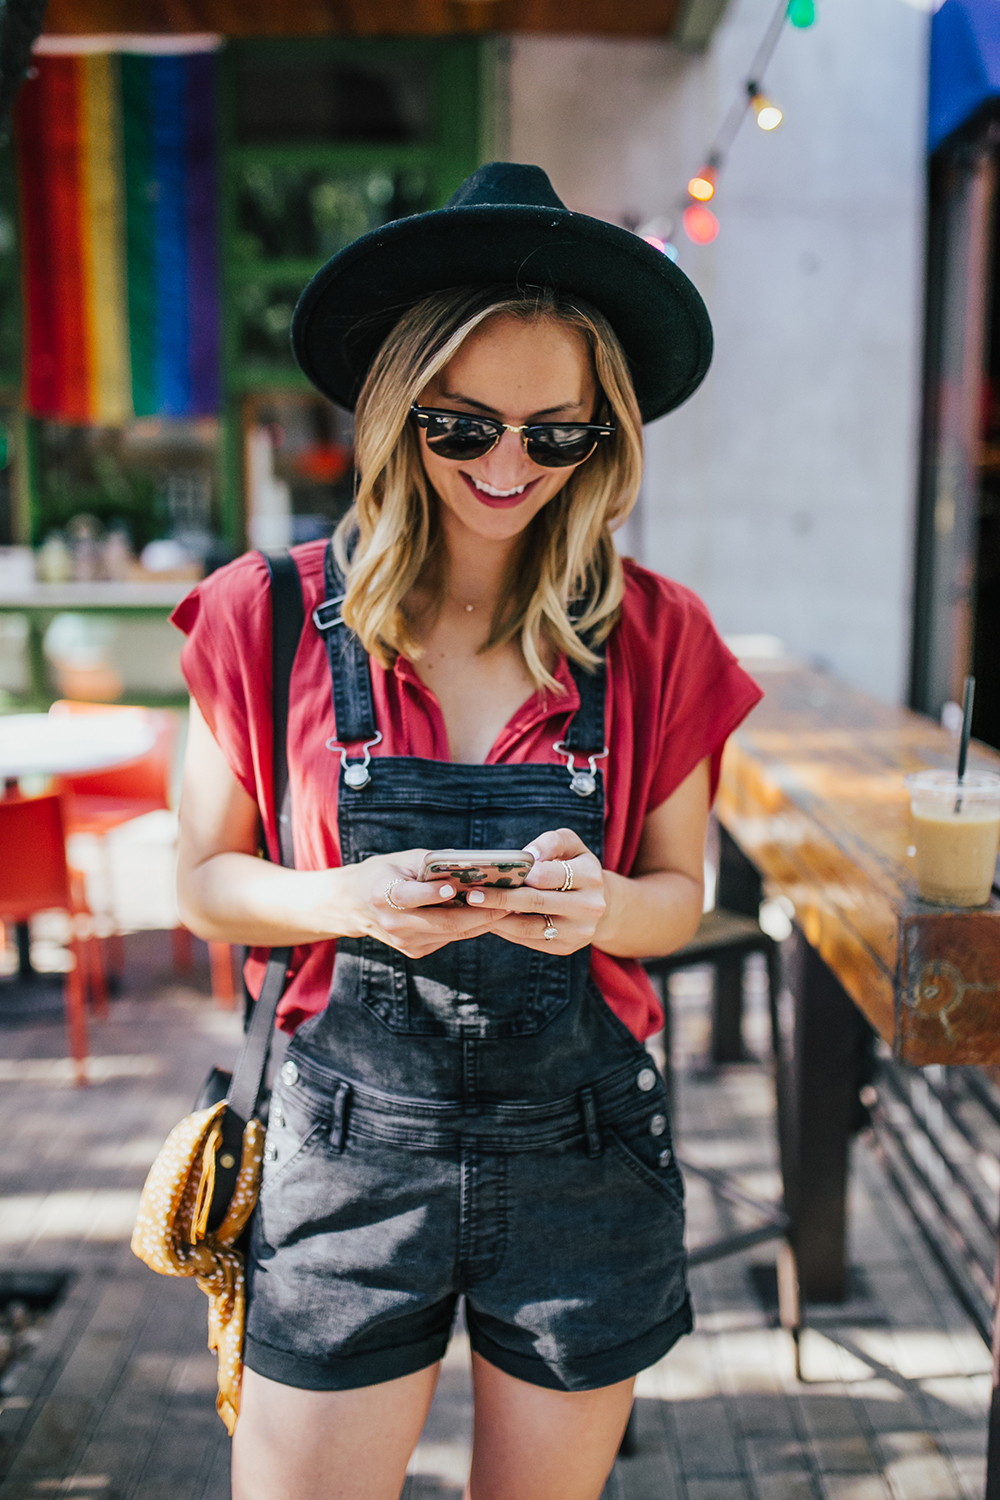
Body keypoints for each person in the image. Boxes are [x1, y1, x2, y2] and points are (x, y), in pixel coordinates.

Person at [173, 162, 763, 1500]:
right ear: (397, 413)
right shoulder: (263, 615)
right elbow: (203, 881)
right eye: (464, 425)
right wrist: (348, 900)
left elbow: (682, 893)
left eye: (557, 434)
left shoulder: (658, 631)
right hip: (341, 1154)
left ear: (602, 440)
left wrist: (598, 905)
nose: (509, 467)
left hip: (582, 1149)